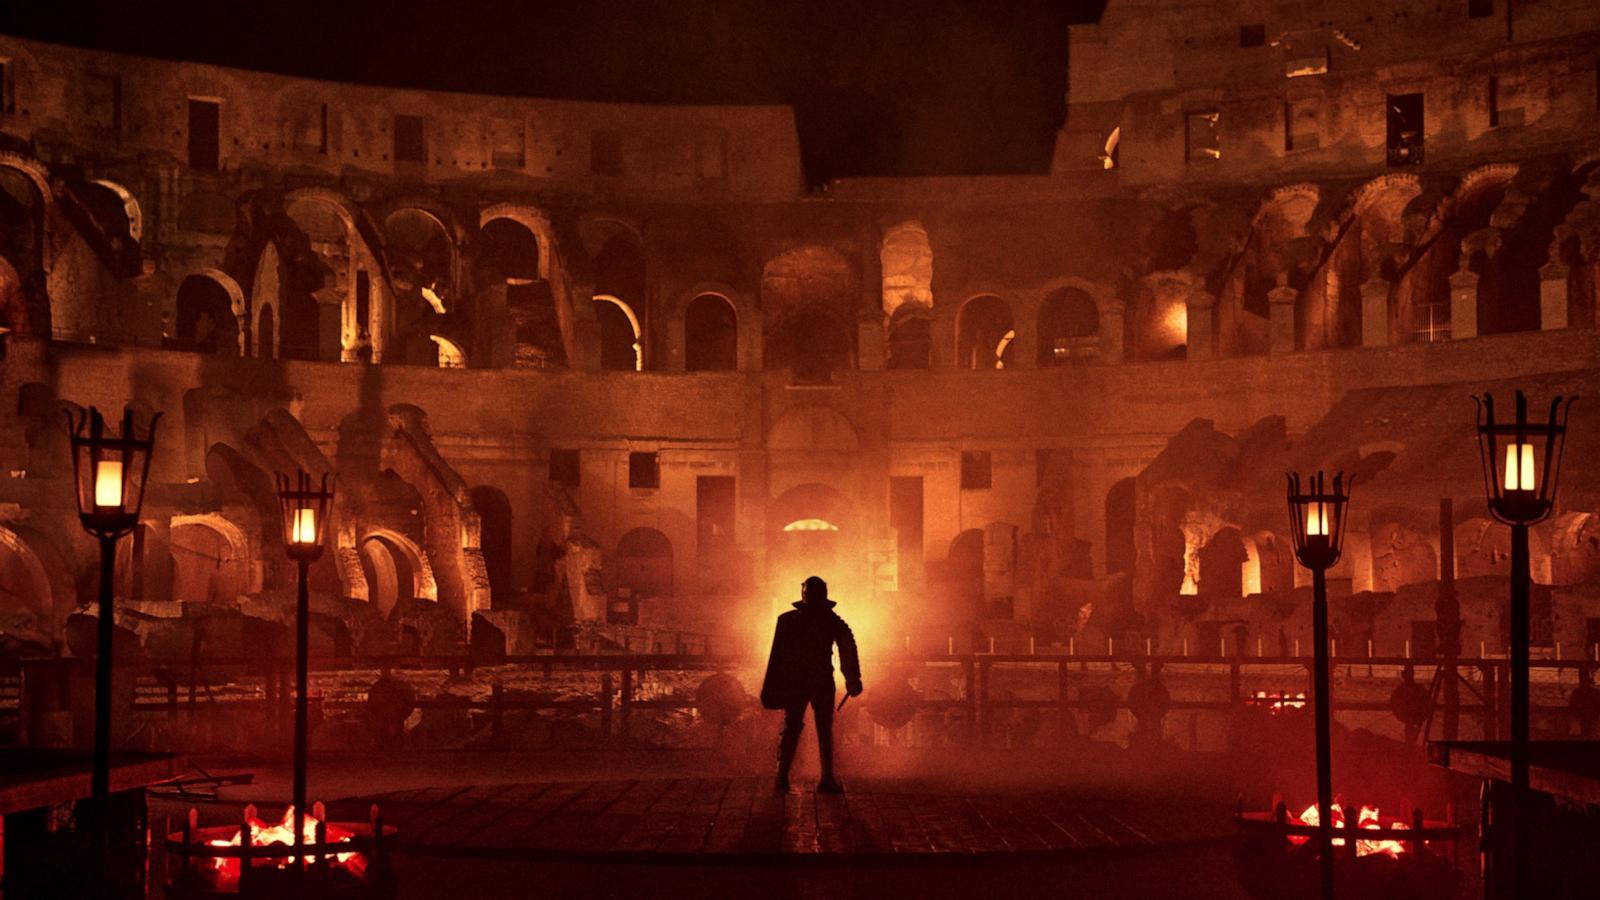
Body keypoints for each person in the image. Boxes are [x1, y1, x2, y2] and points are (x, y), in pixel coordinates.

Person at [760, 576, 862, 793]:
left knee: (792, 727)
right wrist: (852, 679)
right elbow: (847, 647)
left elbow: (777, 657)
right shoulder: (830, 621)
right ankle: (825, 780)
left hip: (797, 681)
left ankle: (782, 777)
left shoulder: (788, 621)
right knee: (822, 729)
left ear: (803, 595)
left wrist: (775, 686)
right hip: (820, 680)